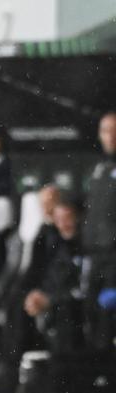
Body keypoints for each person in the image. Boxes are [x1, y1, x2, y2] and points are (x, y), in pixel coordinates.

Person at [83, 112, 116, 355]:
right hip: (95, 255)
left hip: (114, 258)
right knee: (92, 317)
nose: (111, 136)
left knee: (108, 317)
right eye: (106, 130)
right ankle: (98, 376)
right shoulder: (99, 168)